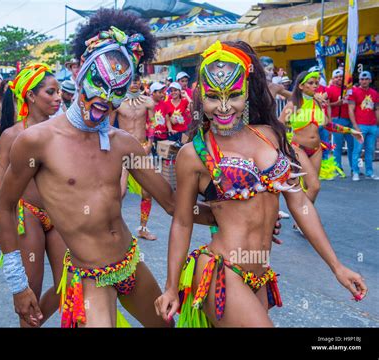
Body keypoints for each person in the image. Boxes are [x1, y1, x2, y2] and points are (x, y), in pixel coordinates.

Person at [0, 9, 217, 328]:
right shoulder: (37, 141)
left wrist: (229, 213)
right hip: (89, 276)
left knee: (165, 326)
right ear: (78, 71)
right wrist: (18, 284)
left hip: (131, 265)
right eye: (98, 82)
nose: (105, 98)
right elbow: (4, 206)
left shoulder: (124, 143)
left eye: (118, 89)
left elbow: (171, 203)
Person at [154, 41, 368, 327]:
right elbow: (182, 221)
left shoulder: (270, 135)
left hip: (260, 275)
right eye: (213, 97)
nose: (224, 107)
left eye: (234, 95)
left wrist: (337, 266)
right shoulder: (194, 153)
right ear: (200, 97)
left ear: (247, 92)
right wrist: (170, 286)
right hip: (221, 270)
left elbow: (300, 203)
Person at [0, 64, 67, 326]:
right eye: (51, 92)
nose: (58, 97)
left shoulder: (64, 130)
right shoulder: (13, 135)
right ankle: (30, 320)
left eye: (59, 91)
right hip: (28, 216)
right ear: (31, 95)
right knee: (30, 292)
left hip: (60, 215)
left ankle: (35, 320)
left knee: (69, 284)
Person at [279, 71, 362, 207]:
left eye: (316, 83)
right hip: (298, 148)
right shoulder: (293, 105)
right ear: (301, 86)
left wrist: (350, 131)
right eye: (310, 83)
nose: (315, 86)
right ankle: (304, 218)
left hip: (316, 150)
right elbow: (279, 125)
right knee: (315, 186)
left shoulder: (317, 104)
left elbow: (327, 124)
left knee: (308, 186)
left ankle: (302, 218)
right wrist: (284, 146)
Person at [116, 75, 158, 240]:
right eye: (131, 81)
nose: (134, 84)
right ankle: (115, 228)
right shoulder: (118, 103)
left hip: (142, 149)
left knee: (147, 192)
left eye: (137, 81)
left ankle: (143, 228)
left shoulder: (148, 102)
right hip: (123, 149)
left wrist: (150, 143)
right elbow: (110, 126)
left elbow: (153, 123)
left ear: (141, 82)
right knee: (120, 192)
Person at [348, 71, 379, 181]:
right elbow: (350, 110)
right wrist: (355, 126)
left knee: (370, 150)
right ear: (359, 80)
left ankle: (369, 172)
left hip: (372, 126)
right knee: (357, 150)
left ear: (370, 80)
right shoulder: (354, 92)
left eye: (366, 79)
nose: (364, 81)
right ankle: (355, 172)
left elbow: (376, 109)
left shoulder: (375, 93)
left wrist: (377, 124)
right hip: (360, 125)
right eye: (362, 79)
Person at [327, 69, 357, 175]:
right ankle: (338, 168)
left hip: (349, 120)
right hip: (337, 120)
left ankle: (354, 168)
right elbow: (326, 105)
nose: (339, 78)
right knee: (337, 146)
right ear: (332, 78)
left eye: (340, 76)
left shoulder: (348, 89)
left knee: (352, 146)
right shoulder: (329, 89)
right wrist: (336, 103)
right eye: (336, 77)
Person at [150, 82, 172, 153]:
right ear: (153, 93)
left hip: (164, 136)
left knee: (163, 157)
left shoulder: (164, 104)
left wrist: (170, 129)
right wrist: (154, 130)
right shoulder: (148, 104)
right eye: (160, 92)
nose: (162, 94)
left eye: (162, 92)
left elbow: (167, 119)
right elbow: (148, 120)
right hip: (152, 137)